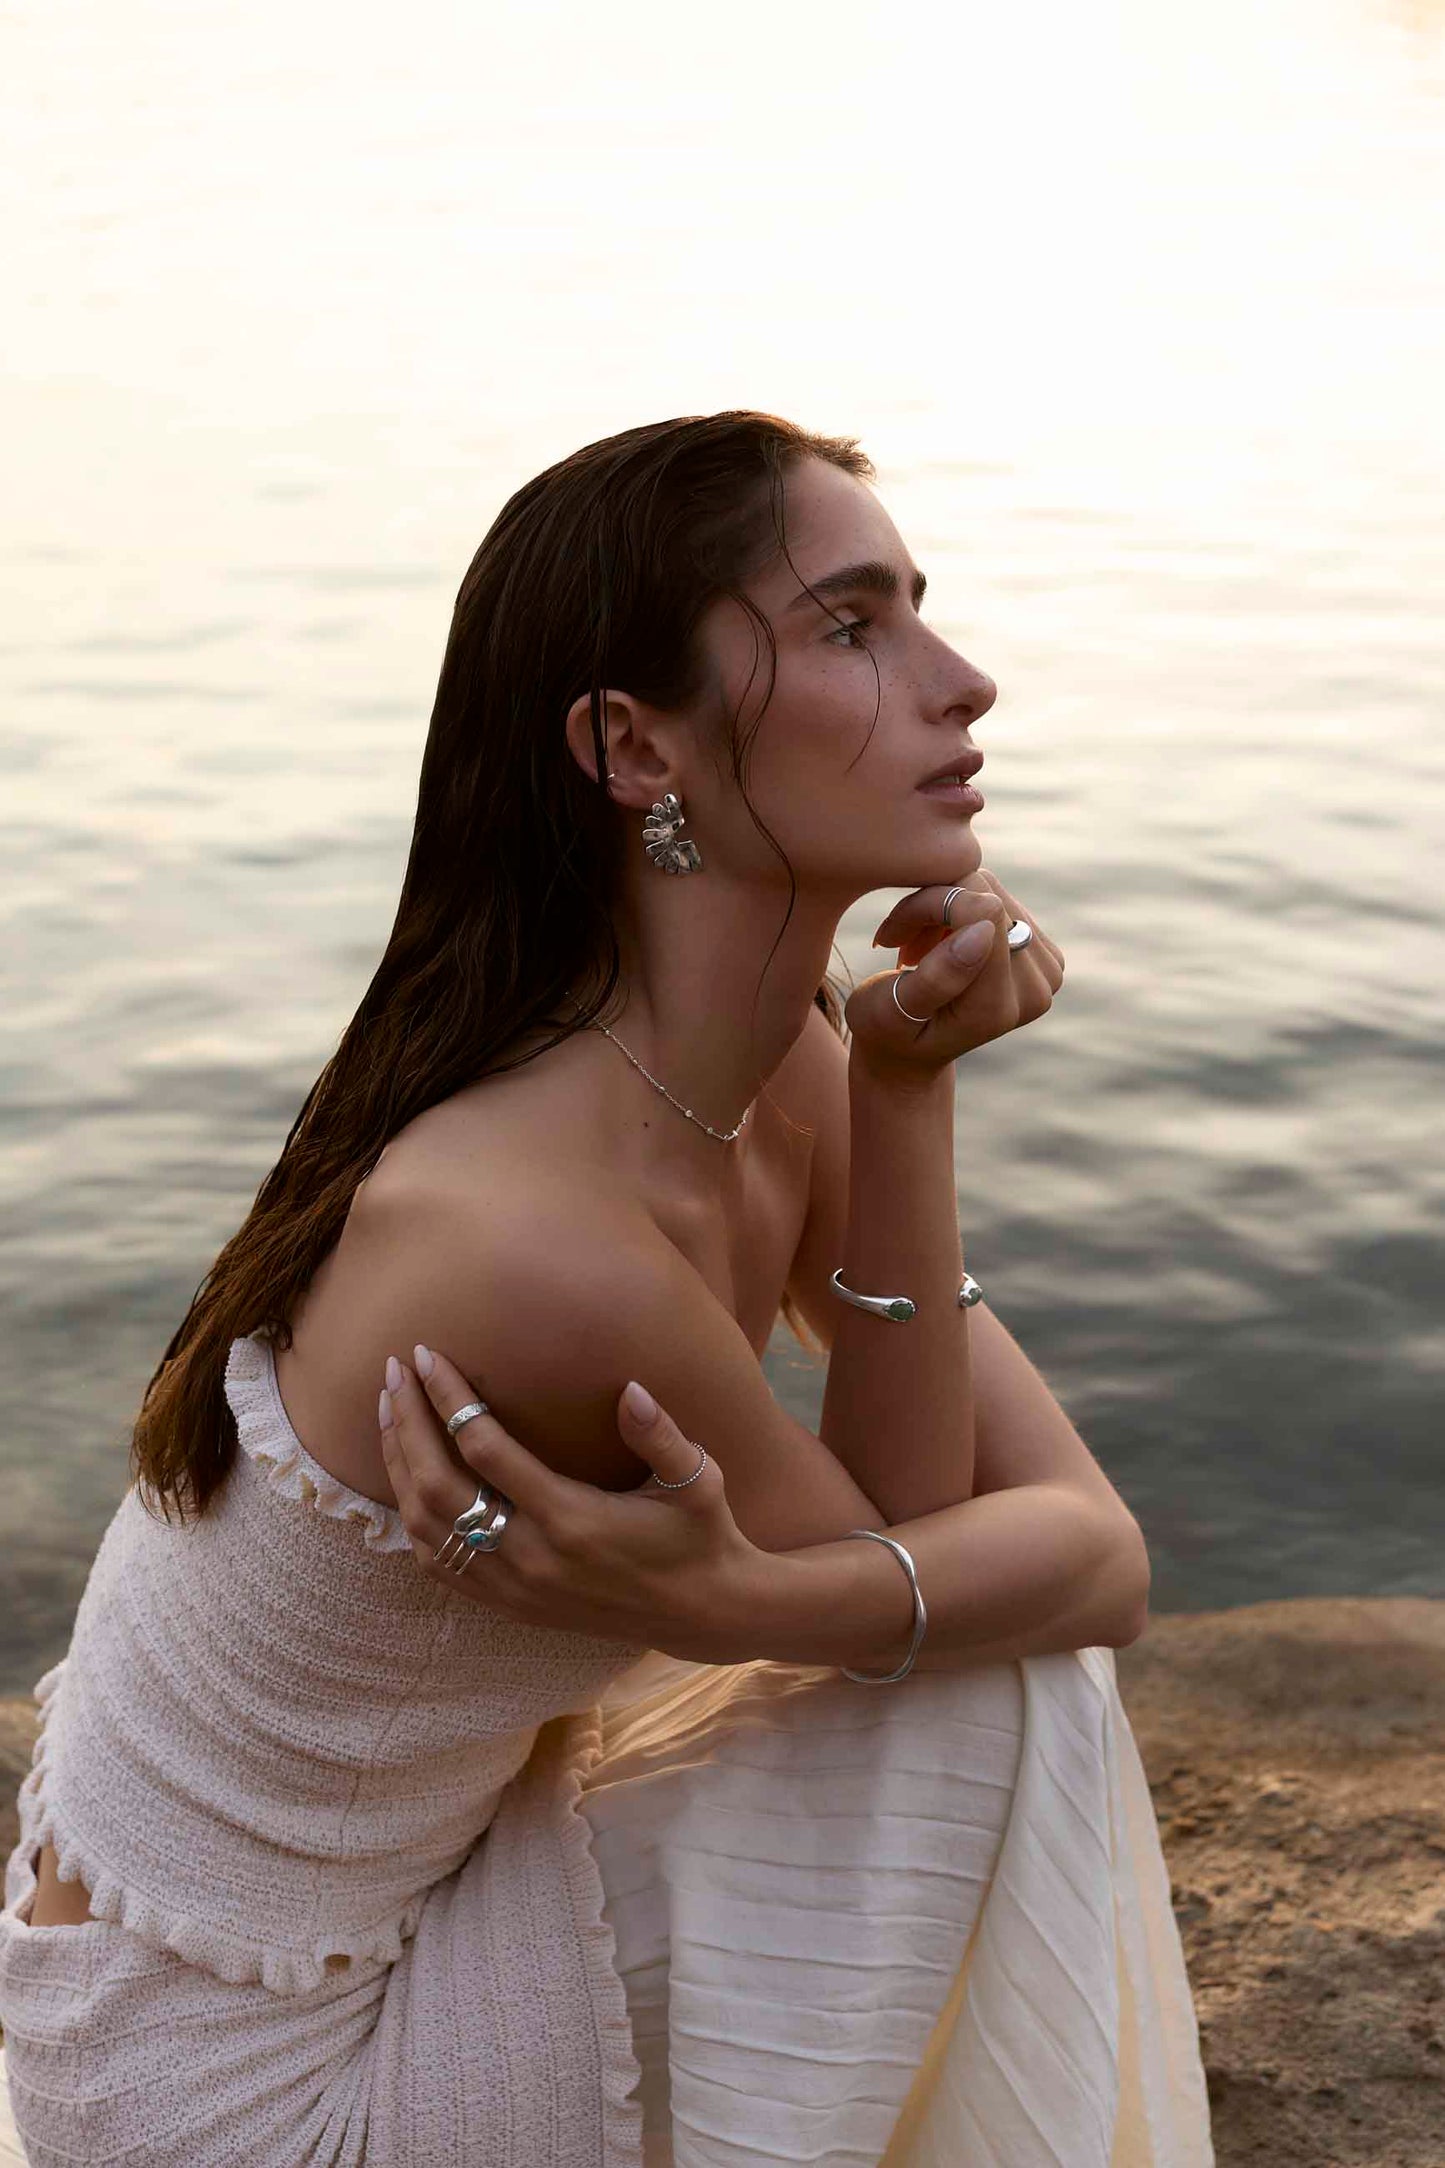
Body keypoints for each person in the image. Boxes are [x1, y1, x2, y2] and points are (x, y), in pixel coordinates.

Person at [0, 412, 1213, 2164]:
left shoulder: (765, 1069)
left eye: (918, 611)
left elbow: (1033, 1552)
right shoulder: (530, 1241)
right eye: (852, 626)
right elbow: (999, 1578)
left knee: (966, 1645)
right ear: (635, 746)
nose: (965, 683)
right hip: (233, 2090)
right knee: (987, 1692)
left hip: (399, 1914)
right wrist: (766, 1603)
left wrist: (900, 1092)